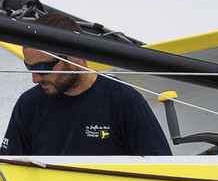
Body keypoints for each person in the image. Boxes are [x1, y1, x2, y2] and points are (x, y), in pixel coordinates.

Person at [2, 13, 171, 156]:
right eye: (29, 67)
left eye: (42, 67)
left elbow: (162, 170)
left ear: (74, 55)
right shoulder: (28, 105)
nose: (35, 79)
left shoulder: (124, 101)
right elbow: (7, 170)